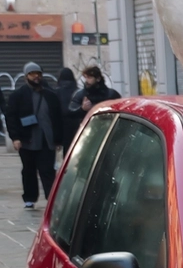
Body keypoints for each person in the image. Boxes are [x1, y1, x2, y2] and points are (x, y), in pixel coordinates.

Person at [4, 62, 63, 209]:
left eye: (39, 73)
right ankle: (29, 198)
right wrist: (15, 138)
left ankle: (51, 198)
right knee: (29, 170)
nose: (36, 76)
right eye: (33, 74)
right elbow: (11, 117)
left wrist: (58, 139)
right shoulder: (18, 95)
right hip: (27, 139)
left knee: (48, 170)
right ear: (26, 76)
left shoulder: (50, 95)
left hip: (46, 140)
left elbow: (57, 118)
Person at [68, 66, 121, 130]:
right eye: (85, 77)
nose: (87, 81)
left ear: (98, 78)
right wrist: (82, 109)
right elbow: (71, 112)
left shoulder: (111, 94)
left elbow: (120, 111)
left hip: (109, 128)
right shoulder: (80, 94)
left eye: (89, 77)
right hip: (88, 130)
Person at [54, 67, 78, 151]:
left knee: (67, 152)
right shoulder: (78, 91)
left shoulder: (57, 92)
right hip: (76, 125)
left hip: (62, 125)